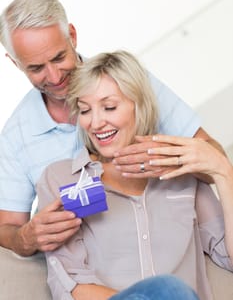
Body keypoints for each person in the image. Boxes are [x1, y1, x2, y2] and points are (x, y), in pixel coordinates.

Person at [0, 0, 225, 256]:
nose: (55, 76)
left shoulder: (129, 81)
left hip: (165, 247)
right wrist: (25, 238)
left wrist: (172, 160)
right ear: (15, 64)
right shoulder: (17, 136)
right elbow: (8, 226)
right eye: (36, 68)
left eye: (59, 58)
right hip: (83, 266)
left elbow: (216, 159)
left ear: (72, 35)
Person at [37, 50, 233, 300]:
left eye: (109, 107)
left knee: (173, 289)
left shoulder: (183, 175)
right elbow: (70, 284)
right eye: (85, 110)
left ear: (139, 105)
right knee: (168, 289)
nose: (95, 123)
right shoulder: (63, 179)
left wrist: (223, 172)